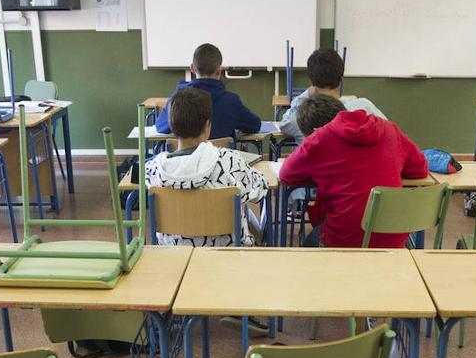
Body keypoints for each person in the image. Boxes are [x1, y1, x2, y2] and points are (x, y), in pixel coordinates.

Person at [278, 95, 428, 248]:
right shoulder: (390, 128)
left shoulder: (318, 139)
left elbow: (285, 175)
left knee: (309, 245)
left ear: (313, 131)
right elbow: (420, 169)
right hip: (393, 234)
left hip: (345, 237)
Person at [144, 86, 268, 247]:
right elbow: (261, 189)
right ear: (207, 127)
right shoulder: (230, 161)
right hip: (228, 253)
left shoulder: (152, 171)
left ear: (171, 126)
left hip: (175, 253)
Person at [155, 43, 262, 140]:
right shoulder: (231, 102)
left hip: (186, 155)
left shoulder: (178, 99)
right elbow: (255, 126)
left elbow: (160, 127)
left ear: (192, 68)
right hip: (220, 155)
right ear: (219, 70)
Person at [279, 48, 384, 144]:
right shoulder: (365, 106)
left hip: (318, 160)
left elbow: (284, 123)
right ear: (341, 79)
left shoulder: (302, 117)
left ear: (311, 81)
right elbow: (388, 132)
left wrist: (305, 95)